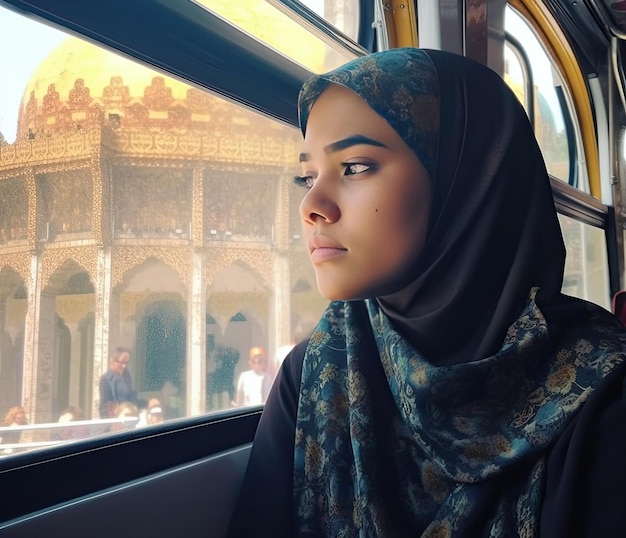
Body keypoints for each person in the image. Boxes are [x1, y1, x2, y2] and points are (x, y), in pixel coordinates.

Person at [227, 48, 626, 537]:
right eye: (306, 177)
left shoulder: (605, 393)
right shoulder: (317, 373)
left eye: (354, 167)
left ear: (468, 181)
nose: (312, 204)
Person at [98, 346, 137, 419]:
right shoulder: (105, 379)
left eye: (126, 363)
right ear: (112, 361)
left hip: (128, 416)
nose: (124, 366)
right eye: (121, 362)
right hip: (114, 420)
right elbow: (104, 405)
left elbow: (131, 396)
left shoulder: (127, 376)